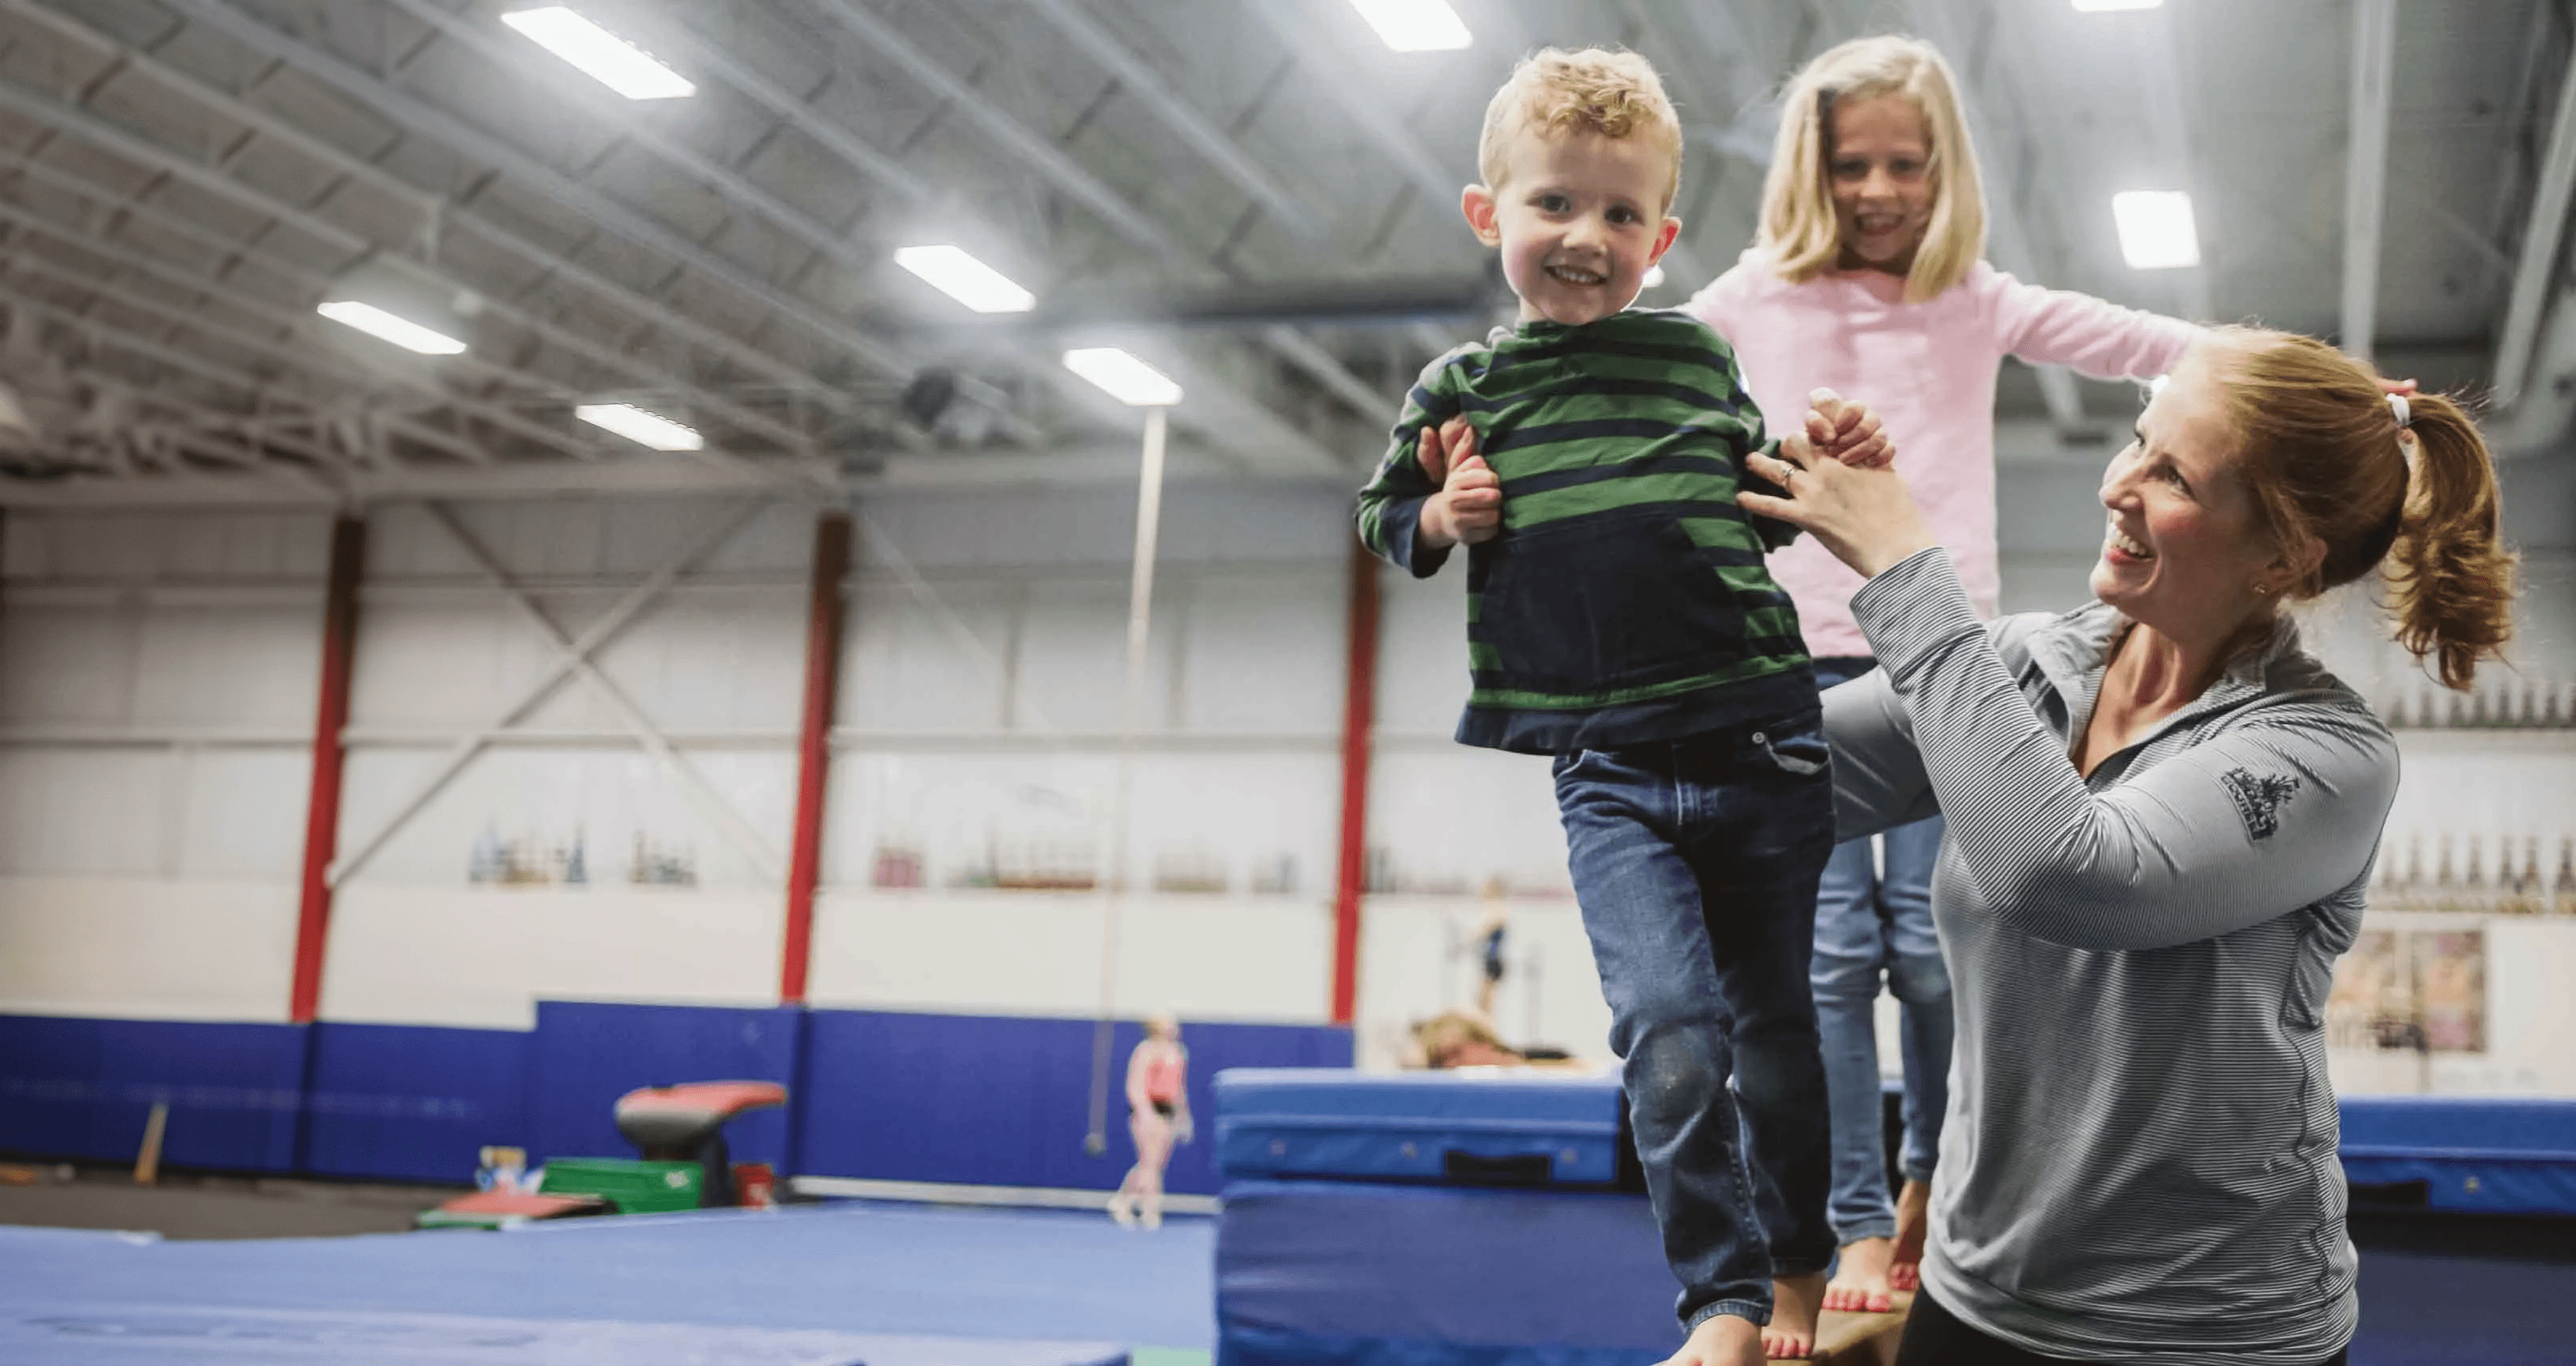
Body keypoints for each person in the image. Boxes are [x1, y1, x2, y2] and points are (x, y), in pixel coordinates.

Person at [1735, 326, 2515, 1365]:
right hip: (1977, 1292)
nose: (2119, 486)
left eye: (2172, 473)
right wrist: (1686, 547)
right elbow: (1752, 783)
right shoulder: (2016, 666)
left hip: (2205, 1326)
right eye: (2134, 441)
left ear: (2280, 556)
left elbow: (2064, 873)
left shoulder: (2324, 753)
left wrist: (1903, 570)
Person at [1352, 47, 1890, 1366]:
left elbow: (1749, 509)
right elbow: (1377, 518)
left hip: (1760, 736)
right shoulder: (1462, 393)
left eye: (1617, 215)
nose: (1583, 238)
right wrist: (1437, 510)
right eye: (1552, 206)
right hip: (1604, 767)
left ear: (1660, 235)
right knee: (1666, 1026)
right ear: (1490, 217)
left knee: (1779, 1025)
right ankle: (1713, 1293)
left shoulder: (1694, 359)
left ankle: (1795, 1271)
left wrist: (1819, 474)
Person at [1683, 34, 2206, 1313]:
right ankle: (1852, 1222)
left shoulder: (1970, 295)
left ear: (1941, 169)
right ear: (1811, 169)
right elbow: (1628, 371)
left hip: (1937, 652)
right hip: (1785, 655)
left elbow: (2133, 336)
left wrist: (2322, 379)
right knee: (1825, 957)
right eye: (1849, 165)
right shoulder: (1750, 297)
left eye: (1902, 165)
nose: (1876, 190)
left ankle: (1930, 1183)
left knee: (1930, 944)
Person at [1107, 1013, 1190, 1229]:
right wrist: (1144, 1111)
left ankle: (1123, 1201)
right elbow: (1135, 1084)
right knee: (1149, 1162)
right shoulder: (1145, 1050)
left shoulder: (1177, 1052)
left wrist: (1183, 1116)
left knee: (1154, 1164)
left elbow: (1178, 1089)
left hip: (1167, 1111)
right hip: (1148, 1110)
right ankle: (1150, 1209)